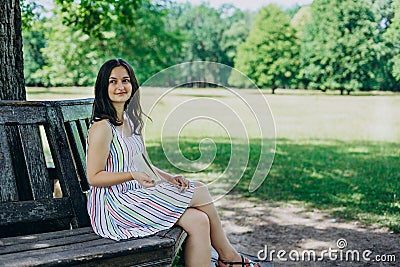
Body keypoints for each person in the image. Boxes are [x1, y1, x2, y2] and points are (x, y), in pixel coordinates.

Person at [86, 58, 261, 267]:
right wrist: (131, 175)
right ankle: (228, 256)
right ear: (103, 87)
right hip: (115, 206)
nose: (120, 87)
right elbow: (94, 177)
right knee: (201, 190)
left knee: (199, 221)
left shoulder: (130, 121)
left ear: (133, 84)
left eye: (125, 80)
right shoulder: (103, 128)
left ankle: (226, 258)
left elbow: (142, 163)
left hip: (134, 195)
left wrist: (170, 178)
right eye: (112, 81)